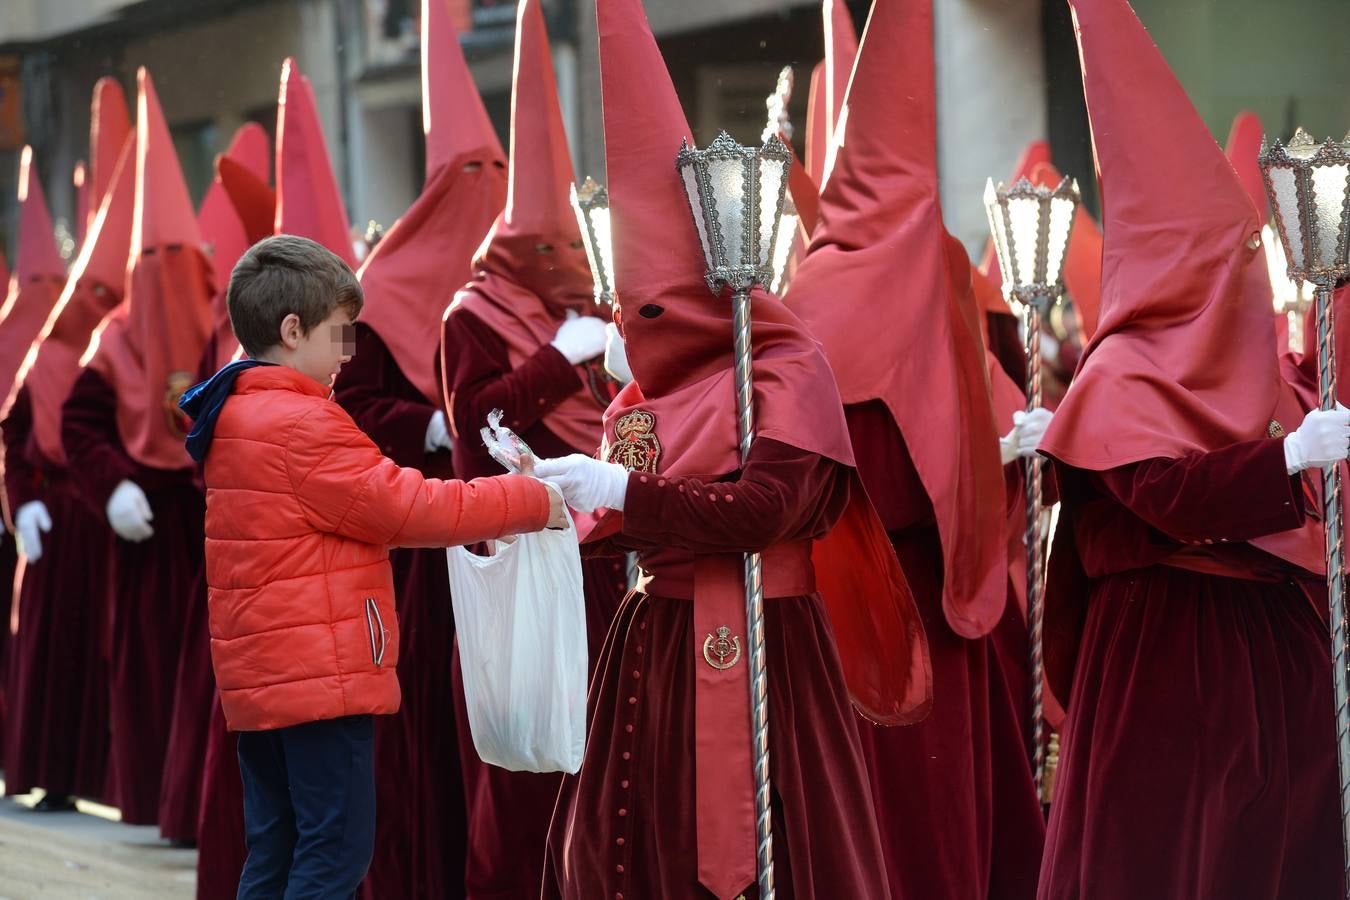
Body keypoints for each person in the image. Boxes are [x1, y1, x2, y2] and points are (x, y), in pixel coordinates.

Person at [535, 1, 931, 897]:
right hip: (659, 650)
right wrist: (558, 501)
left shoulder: (784, 370)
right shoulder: (641, 394)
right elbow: (614, 525)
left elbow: (768, 509)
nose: (640, 327)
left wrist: (624, 496)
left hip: (770, 648)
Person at [1034, 0, 1344, 897]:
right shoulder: (1120, 373)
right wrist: (1283, 462)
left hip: (1273, 665)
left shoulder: (1265, 372)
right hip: (1169, 659)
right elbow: (1167, 494)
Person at [178, 234, 564, 896]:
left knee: (275, 849)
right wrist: (533, 499)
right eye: (340, 335)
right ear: (293, 330)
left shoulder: (238, 411)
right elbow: (409, 509)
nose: (349, 355)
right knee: (335, 853)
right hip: (319, 675)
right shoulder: (301, 423)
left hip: (267, 676)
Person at [783, 1, 1046, 896]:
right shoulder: (901, 280)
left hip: (896, 591)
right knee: (907, 815)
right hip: (882, 597)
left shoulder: (834, 289)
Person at [437, 2, 627, 895]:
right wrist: (556, 362)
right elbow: (477, 425)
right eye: (544, 247)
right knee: (521, 760)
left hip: (595, 554)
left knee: (596, 747)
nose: (561, 264)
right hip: (516, 552)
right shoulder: (471, 315)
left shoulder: (581, 303)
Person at [332, 3, 502, 894]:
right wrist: (432, 428)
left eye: (499, 170)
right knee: (429, 704)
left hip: (505, 521)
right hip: (418, 534)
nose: (489, 183)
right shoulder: (379, 287)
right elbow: (351, 401)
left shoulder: (516, 266)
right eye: (472, 170)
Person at [60, 69, 213, 831]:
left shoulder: (225, 317)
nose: (167, 275)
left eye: (177, 254)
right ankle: (161, 801)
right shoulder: (111, 339)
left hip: (218, 523)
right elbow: (78, 426)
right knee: (154, 673)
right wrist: (115, 484)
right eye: (150, 256)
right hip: (148, 531)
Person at [1, 96, 122, 813]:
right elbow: (14, 439)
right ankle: (44, 771)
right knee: (49, 653)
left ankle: (92, 774)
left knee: (92, 654)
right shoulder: (40, 360)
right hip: (53, 525)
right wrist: (24, 510)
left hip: (98, 524)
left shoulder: (110, 354)